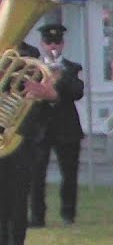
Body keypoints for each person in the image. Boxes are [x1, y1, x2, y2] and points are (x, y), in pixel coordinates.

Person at [1, 42, 57, 245]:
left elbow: (55, 101)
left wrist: (45, 94)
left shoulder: (32, 72)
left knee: (16, 212)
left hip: (20, 151)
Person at [29, 22, 85, 227]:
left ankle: (68, 215)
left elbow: (78, 92)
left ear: (63, 43)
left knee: (69, 174)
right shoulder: (33, 67)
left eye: (57, 42)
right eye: (49, 42)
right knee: (36, 175)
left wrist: (57, 84)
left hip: (67, 128)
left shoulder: (72, 67)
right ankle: (37, 217)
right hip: (40, 128)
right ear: (42, 44)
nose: (53, 46)